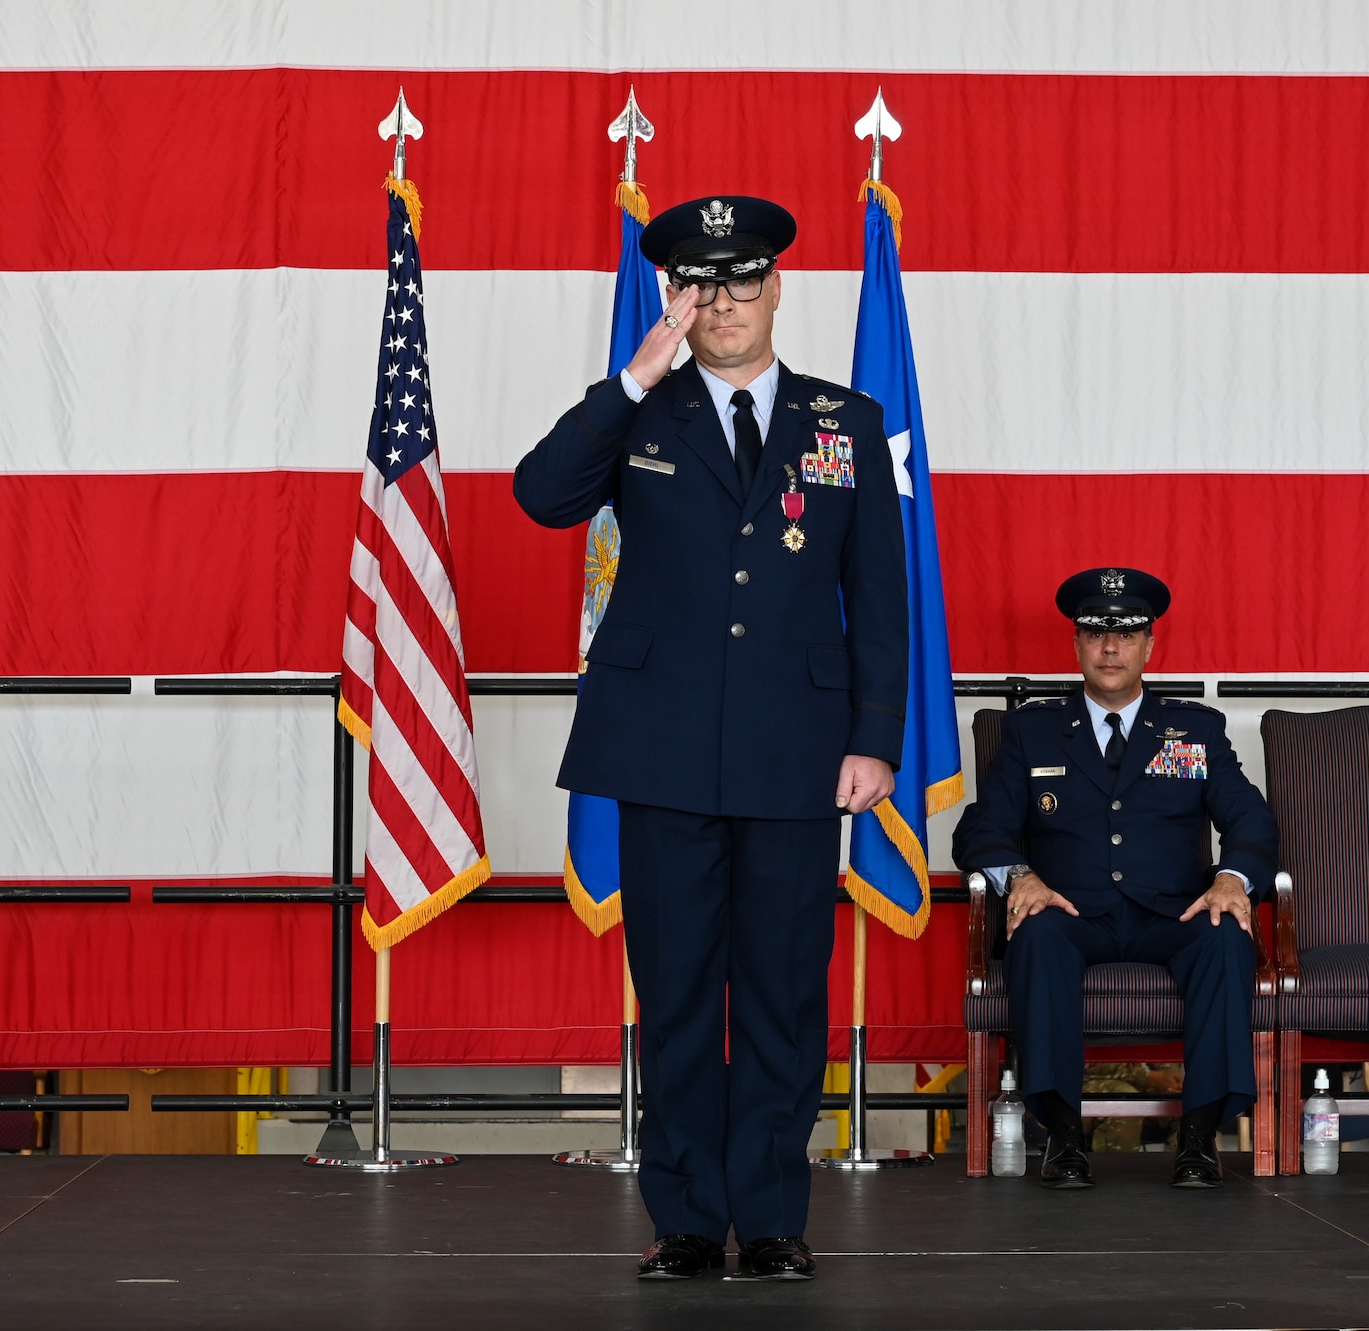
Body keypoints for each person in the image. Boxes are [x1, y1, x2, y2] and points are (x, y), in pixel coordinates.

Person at [514, 196, 909, 1278]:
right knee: (680, 986)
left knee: (784, 990)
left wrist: (876, 735)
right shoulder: (639, 409)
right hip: (662, 743)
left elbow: (880, 593)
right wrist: (635, 375)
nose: (722, 303)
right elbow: (540, 495)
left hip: (797, 747)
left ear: (778, 286)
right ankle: (686, 1215)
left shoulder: (845, 422)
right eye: (697, 285)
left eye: (740, 280)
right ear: (673, 299)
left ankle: (773, 1214)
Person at [951, 568, 1279, 1188]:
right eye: (1096, 635)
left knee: (1226, 938)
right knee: (1036, 935)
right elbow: (978, 829)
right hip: (1072, 912)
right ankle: (1064, 1137)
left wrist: (1233, 878)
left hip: (1173, 914)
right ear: (1076, 644)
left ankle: (1200, 1136)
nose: (1110, 649)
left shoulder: (1196, 728)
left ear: (1149, 645)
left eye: (1126, 635)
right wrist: (1018, 874)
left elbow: (1251, 821)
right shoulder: (1031, 729)